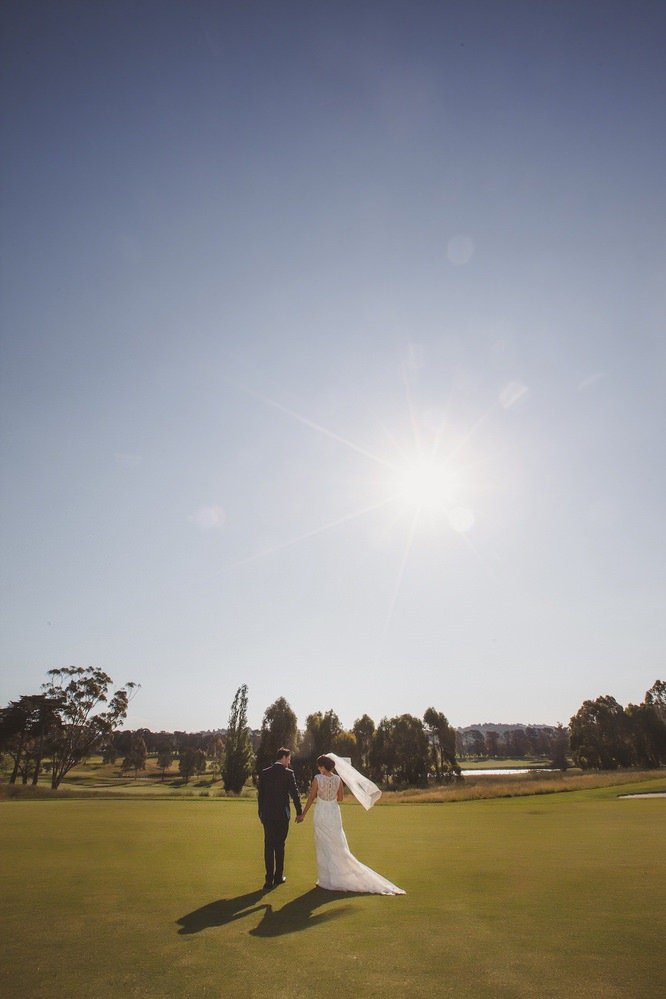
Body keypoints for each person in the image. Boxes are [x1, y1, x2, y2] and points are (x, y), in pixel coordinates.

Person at [297, 754, 405, 895]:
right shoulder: (337, 779)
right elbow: (340, 798)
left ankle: (326, 879)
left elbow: (312, 797)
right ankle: (336, 877)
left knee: (324, 844)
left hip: (321, 813)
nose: (318, 768)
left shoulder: (317, 778)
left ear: (323, 766)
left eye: (319, 766)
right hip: (334, 813)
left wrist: (303, 814)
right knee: (337, 844)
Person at [257, 747, 302, 890]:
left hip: (267, 815)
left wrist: (260, 812)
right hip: (282, 815)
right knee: (280, 845)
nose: (289, 762)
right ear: (283, 757)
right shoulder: (288, 774)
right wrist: (299, 811)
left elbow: (260, 795)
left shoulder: (265, 773)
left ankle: (268, 880)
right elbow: (295, 794)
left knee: (268, 846)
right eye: (288, 759)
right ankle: (278, 876)